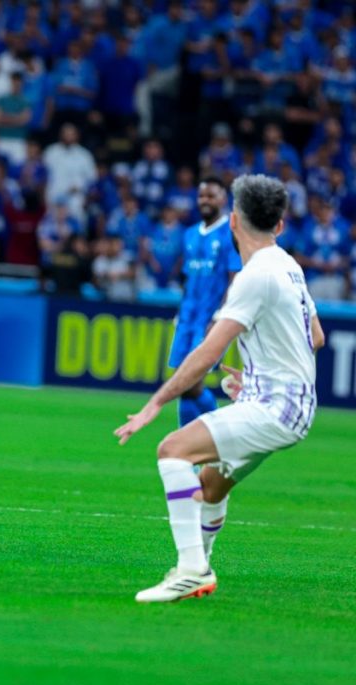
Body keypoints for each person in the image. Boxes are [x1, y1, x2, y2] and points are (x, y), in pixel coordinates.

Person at [115, 174, 324, 603]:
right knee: (211, 486)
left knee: (172, 450)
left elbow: (210, 351)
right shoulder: (288, 265)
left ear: (232, 220)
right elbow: (315, 337)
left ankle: (191, 569)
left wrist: (156, 402)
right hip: (291, 404)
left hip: (277, 408)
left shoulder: (254, 276)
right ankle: (200, 570)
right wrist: (260, 376)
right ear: (279, 225)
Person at [167, 176, 240, 428]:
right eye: (201, 196)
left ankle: (217, 431)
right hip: (187, 317)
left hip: (210, 318)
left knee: (190, 381)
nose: (205, 200)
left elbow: (234, 279)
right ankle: (190, 443)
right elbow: (188, 278)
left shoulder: (230, 234)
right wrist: (181, 312)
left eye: (211, 195)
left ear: (223, 199)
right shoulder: (189, 234)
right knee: (182, 382)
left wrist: (220, 317)